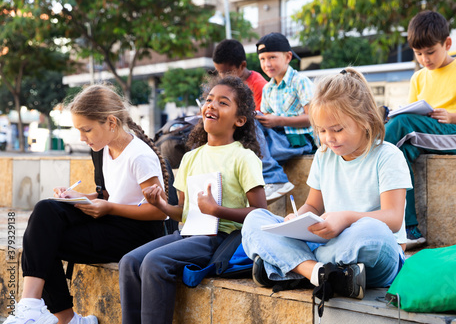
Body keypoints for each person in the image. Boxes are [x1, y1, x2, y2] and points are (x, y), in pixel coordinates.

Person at [242, 68, 412, 317]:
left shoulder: (387, 156)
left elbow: (393, 219)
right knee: (254, 220)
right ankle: (319, 273)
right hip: (327, 246)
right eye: (321, 131)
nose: (329, 138)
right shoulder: (324, 156)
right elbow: (313, 206)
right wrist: (297, 219)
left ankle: (291, 267)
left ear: (364, 119)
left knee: (371, 232)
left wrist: (344, 218)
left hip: (375, 251)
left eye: (337, 129)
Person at [5, 84, 175, 324]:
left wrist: (109, 208)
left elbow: (160, 212)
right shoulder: (102, 148)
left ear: (111, 123)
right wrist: (78, 197)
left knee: (44, 240)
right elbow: (108, 194)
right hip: (113, 220)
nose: (82, 138)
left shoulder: (139, 156)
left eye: (86, 130)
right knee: (45, 213)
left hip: (138, 233)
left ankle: (56, 316)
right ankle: (38, 308)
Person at [119, 75, 267, 324]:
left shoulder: (243, 158)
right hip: (187, 234)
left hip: (219, 238)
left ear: (239, 120)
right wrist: (161, 205)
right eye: (209, 100)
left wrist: (217, 210)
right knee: (129, 262)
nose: (211, 105)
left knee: (155, 262)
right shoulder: (191, 158)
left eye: (223, 102)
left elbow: (260, 212)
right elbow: (183, 212)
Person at [385, 10, 456, 249]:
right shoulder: (418, 78)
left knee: (399, 127)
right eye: (418, 54)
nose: (425, 59)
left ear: (447, 43)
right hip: (427, 136)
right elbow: (411, 113)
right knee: (397, 155)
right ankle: (409, 230)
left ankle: (369, 159)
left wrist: (453, 116)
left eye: (430, 52)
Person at [212, 38, 294, 201]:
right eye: (219, 72)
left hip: (275, 136)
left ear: (242, 66)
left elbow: (260, 120)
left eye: (226, 72)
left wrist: (278, 120)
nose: (222, 76)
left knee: (249, 120)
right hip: (251, 135)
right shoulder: (266, 86)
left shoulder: (259, 85)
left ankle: (273, 176)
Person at [256, 32, 317, 198]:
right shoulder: (267, 89)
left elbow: (312, 118)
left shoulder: (300, 82)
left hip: (299, 140)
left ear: (288, 57)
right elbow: (268, 122)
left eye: (272, 57)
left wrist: (278, 121)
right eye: (262, 59)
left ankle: (276, 180)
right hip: (279, 139)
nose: (267, 63)